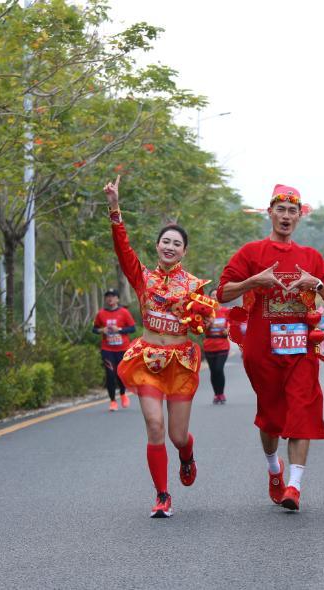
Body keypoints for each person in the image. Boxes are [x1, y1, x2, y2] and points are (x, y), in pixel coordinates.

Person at [217, 183, 324, 511]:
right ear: (270, 213)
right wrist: (253, 281)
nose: (286, 216)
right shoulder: (251, 253)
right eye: (281, 210)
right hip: (262, 350)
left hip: (301, 349)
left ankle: (294, 486)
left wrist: (316, 284)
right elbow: (223, 292)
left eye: (292, 211)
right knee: (270, 416)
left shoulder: (310, 257)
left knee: (302, 409)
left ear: (300, 217)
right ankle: (275, 469)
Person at [104, 175, 210, 518]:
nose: (169, 247)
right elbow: (123, 249)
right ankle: (163, 495)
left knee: (177, 436)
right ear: (157, 246)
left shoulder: (194, 285)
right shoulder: (143, 278)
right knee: (154, 425)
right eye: (165, 241)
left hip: (180, 364)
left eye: (176, 244)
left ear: (184, 251)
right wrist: (114, 208)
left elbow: (204, 322)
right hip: (147, 360)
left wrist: (202, 318)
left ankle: (186, 454)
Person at [93, 289, 136, 411]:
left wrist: (119, 330)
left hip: (122, 349)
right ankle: (112, 401)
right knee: (110, 375)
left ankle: (122, 394)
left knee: (121, 374)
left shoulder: (124, 312)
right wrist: (102, 330)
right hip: (107, 349)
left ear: (117, 299)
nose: (110, 298)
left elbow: (132, 328)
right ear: (105, 299)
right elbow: (94, 329)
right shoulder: (101, 313)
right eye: (108, 296)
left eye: (112, 296)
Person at [203, 287, 231, 404]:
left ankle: (221, 393)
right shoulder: (205, 312)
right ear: (209, 298)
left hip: (222, 345)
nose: (214, 297)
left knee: (219, 369)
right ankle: (216, 394)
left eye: (216, 295)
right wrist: (208, 324)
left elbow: (231, 325)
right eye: (212, 295)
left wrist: (227, 331)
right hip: (209, 345)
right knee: (213, 371)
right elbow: (200, 327)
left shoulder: (225, 311)